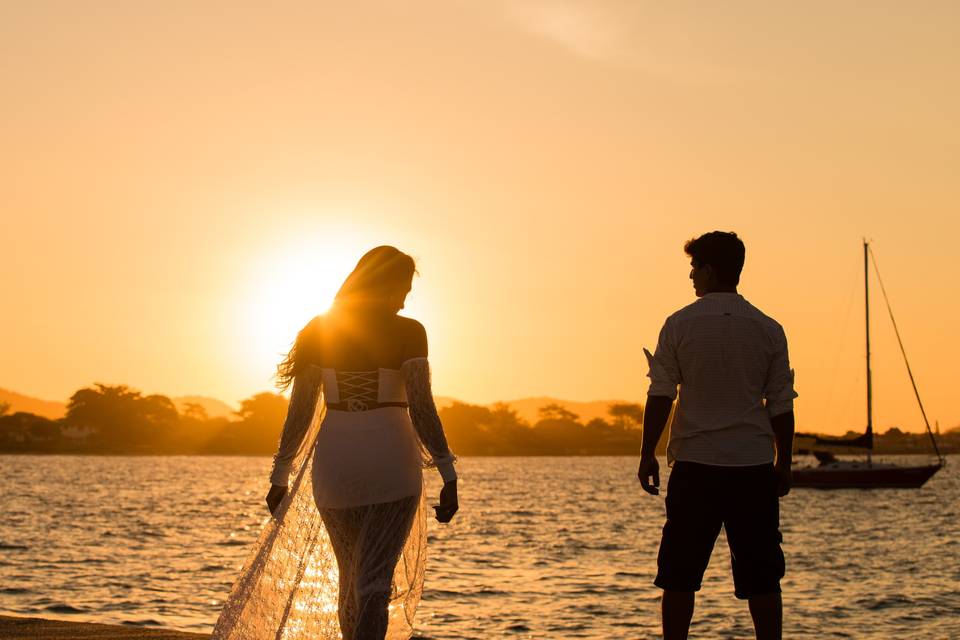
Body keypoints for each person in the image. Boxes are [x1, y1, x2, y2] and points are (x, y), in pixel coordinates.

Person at [213, 246, 458, 640]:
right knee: (374, 582)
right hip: (391, 461)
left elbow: (300, 411)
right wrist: (448, 472)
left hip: (336, 464)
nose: (404, 298)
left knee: (350, 580)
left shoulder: (320, 327)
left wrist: (280, 475)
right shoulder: (410, 331)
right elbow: (422, 407)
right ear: (385, 284)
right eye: (402, 288)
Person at [637, 231, 797, 640]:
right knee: (762, 577)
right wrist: (785, 462)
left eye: (694, 267)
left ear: (708, 269)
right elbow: (781, 404)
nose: (691, 276)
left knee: (678, 576)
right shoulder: (769, 329)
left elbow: (661, 394)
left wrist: (647, 454)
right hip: (752, 469)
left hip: (696, 469)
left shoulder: (679, 324)